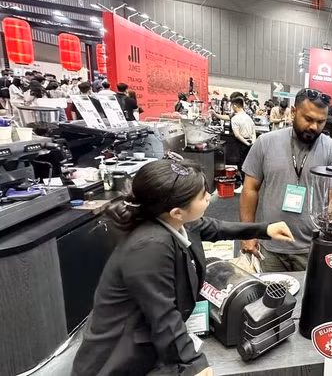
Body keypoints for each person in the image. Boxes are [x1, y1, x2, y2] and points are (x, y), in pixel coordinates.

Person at [70, 159, 294, 376]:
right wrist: (193, 361)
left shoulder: (173, 221)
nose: (209, 197)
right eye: (202, 196)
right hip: (119, 358)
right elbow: (163, 315)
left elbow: (216, 228)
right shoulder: (149, 247)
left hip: (149, 345)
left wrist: (265, 229)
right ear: (177, 211)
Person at [240, 88, 332, 272]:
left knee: (309, 298)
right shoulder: (265, 143)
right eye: (308, 119)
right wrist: (248, 233)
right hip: (270, 245)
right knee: (271, 296)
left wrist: (330, 234)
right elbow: (250, 189)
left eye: (321, 121)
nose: (314, 126)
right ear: (294, 111)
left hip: (312, 247)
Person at [230, 96, 256, 179]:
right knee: (249, 166)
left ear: (234, 106)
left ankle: (242, 185)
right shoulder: (248, 117)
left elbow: (237, 135)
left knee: (241, 165)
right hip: (250, 143)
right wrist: (252, 142)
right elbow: (253, 131)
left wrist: (246, 143)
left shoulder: (234, 119)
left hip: (241, 144)